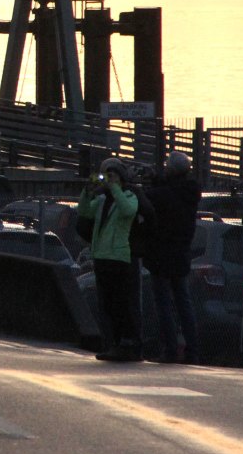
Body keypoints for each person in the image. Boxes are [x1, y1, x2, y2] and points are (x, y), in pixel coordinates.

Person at [77, 158, 141, 362]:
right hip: (101, 257)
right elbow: (84, 211)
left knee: (121, 303)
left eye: (112, 176)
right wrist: (87, 192)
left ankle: (128, 344)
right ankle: (114, 343)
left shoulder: (130, 196)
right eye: (106, 175)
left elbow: (128, 210)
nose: (108, 179)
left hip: (119, 257)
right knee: (107, 305)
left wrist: (115, 188)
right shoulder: (102, 200)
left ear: (121, 179)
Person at [142, 151, 201, 363]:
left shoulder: (161, 194)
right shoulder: (190, 192)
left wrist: (151, 182)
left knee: (164, 304)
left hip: (161, 254)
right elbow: (169, 192)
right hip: (182, 253)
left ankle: (170, 349)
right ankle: (192, 350)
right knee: (184, 303)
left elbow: (155, 197)